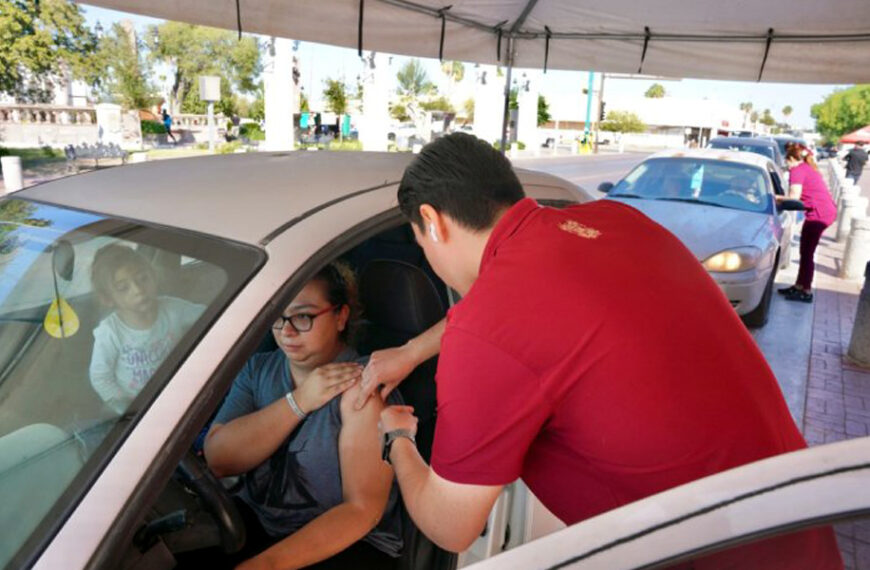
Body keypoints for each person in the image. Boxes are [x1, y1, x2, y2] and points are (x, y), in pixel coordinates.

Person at [359, 132, 842, 568]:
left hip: (711, 557)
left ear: (432, 222)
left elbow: (450, 525)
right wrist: (412, 351)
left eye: (420, 243)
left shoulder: (488, 327)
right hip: (798, 525)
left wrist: (397, 438)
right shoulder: (618, 221)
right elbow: (511, 315)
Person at [203, 262, 403, 569]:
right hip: (260, 523)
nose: (287, 331)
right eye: (278, 317)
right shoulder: (258, 370)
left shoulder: (364, 386)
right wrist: (299, 401)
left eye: (303, 316)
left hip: (346, 542)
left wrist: (264, 566)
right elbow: (218, 459)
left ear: (341, 316)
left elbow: (363, 510)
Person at [89, 244, 204, 414]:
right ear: (108, 299)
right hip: (134, 407)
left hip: (175, 396)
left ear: (154, 277)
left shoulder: (173, 309)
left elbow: (214, 314)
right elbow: (101, 377)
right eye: (123, 288)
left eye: (143, 278)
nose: (138, 290)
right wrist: (127, 408)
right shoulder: (110, 332)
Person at [778, 144, 838, 303]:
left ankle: (806, 291)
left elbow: (794, 197)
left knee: (807, 253)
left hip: (819, 214)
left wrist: (775, 197)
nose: (787, 164)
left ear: (791, 159)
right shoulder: (806, 167)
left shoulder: (797, 171)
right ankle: (799, 285)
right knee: (805, 251)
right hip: (824, 211)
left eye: (787, 160)